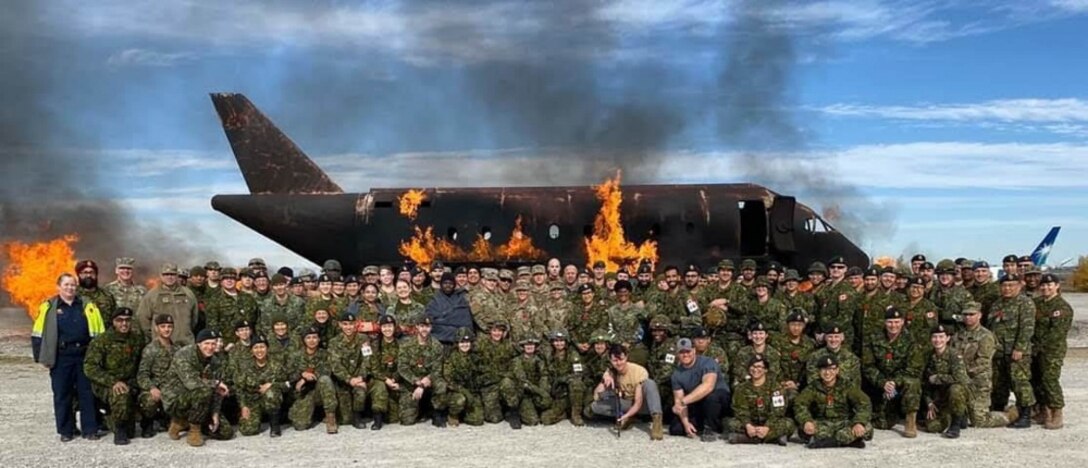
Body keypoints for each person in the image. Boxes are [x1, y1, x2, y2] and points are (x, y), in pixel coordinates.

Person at [31, 272, 106, 442]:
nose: (70, 288)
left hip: (84, 355)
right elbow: (37, 333)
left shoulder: (87, 305)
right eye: (66, 285)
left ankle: (90, 429)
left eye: (72, 285)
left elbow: (99, 331)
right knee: (62, 394)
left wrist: (98, 356)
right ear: (59, 287)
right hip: (61, 357)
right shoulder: (49, 306)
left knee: (87, 393)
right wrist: (42, 358)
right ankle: (66, 430)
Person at [161, 329, 234, 447]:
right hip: (176, 400)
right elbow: (191, 383)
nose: (210, 347)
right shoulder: (184, 354)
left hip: (201, 403)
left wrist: (215, 413)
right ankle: (194, 430)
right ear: (198, 344)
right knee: (203, 391)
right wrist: (215, 383)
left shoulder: (215, 362)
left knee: (225, 432)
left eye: (213, 344)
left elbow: (218, 392)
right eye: (206, 343)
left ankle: (183, 423)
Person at [83, 307, 145, 445]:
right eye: (120, 320)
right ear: (113, 322)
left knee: (133, 429)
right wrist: (113, 382)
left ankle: (126, 419)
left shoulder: (137, 340)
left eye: (127, 320)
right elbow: (90, 367)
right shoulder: (102, 341)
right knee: (121, 394)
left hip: (131, 382)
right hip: (108, 385)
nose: (124, 324)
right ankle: (119, 430)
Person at [861, 307, 922, 438]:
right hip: (878, 384)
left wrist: (894, 382)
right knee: (884, 424)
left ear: (902, 322)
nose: (893, 325)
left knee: (914, 383)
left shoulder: (911, 340)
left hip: (900, 384)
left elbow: (913, 368)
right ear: (885, 322)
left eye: (896, 322)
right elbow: (868, 365)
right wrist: (883, 382)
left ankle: (910, 421)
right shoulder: (873, 338)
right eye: (890, 322)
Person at [950, 302, 1011, 428]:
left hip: (978, 382)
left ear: (979, 315)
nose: (968, 317)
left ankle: (1010, 415)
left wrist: (962, 372)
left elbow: (983, 362)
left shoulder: (986, 336)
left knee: (979, 421)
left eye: (972, 314)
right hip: (961, 380)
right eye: (965, 314)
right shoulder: (957, 336)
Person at [988, 274, 1037, 428]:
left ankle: (1025, 414)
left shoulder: (1025, 303)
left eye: (1011, 285)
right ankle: (999, 411)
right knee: (999, 383)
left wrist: (1020, 348)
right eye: (1004, 285)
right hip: (999, 351)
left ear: (1019, 286)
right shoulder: (997, 304)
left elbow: (1027, 328)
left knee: (1020, 382)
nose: (1007, 288)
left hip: (1017, 351)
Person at [794, 355, 872, 449]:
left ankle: (829, 442)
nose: (827, 373)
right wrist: (806, 421)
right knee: (803, 430)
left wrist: (859, 422)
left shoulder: (847, 385)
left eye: (831, 369)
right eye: (824, 369)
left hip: (844, 423)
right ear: (819, 371)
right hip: (823, 423)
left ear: (837, 370)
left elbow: (864, 403)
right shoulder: (813, 387)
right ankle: (848, 441)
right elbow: (800, 404)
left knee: (867, 428)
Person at [589, 344, 664, 440]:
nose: (618, 363)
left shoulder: (639, 371)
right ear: (610, 360)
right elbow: (596, 395)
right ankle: (629, 418)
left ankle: (657, 420)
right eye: (615, 361)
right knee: (595, 406)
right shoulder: (611, 371)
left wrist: (626, 415)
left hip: (643, 404)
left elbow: (638, 402)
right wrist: (605, 380)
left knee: (650, 384)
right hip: (626, 402)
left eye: (621, 359)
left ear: (626, 357)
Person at [1031, 273, 1074, 429]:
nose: (1046, 288)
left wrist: (1039, 346)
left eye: (1050, 285)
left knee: (1049, 379)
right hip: (1035, 348)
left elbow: (1057, 333)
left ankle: (1056, 411)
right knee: (1036, 379)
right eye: (1043, 285)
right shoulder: (1036, 303)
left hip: (1052, 350)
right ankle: (1043, 410)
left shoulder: (1062, 307)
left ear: (1057, 286)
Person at [670, 338, 730, 442]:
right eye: (681, 352)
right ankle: (702, 425)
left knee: (712, 397)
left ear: (694, 351)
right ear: (677, 354)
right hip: (697, 402)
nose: (685, 355)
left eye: (688, 351)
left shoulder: (708, 362)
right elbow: (678, 401)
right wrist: (686, 424)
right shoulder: (676, 374)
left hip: (718, 401)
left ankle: (711, 428)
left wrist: (684, 401)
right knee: (676, 429)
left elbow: (708, 386)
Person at [729, 354, 794, 445]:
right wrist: (748, 425)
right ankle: (774, 438)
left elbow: (778, 411)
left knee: (788, 424)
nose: (755, 369)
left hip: (770, 423)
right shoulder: (741, 388)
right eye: (753, 366)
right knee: (731, 423)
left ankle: (750, 439)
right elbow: (740, 410)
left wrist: (767, 427)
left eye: (759, 367)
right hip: (751, 423)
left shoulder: (775, 387)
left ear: (765, 370)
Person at [919, 325, 969, 438]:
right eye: (934, 337)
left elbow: (961, 378)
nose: (938, 340)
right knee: (933, 427)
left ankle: (956, 424)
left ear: (947, 338)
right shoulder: (927, 356)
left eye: (941, 337)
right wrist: (929, 402)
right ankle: (954, 416)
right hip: (937, 398)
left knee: (956, 389)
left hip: (953, 395)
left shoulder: (954, 355)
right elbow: (923, 381)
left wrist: (938, 378)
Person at [287, 326, 339, 433]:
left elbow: (327, 371)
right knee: (300, 425)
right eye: (308, 337)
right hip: (303, 394)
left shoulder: (324, 354)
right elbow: (289, 374)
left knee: (325, 379)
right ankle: (313, 414)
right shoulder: (295, 356)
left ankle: (330, 417)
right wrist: (301, 375)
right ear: (304, 340)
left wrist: (306, 378)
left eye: (315, 337)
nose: (312, 340)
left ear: (319, 339)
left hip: (320, 391)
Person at [397, 316, 446, 426]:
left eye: (427, 326)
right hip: (412, 381)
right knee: (407, 421)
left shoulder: (437, 345)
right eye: (422, 326)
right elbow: (402, 367)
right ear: (417, 327)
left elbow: (437, 368)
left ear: (431, 328)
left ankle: (437, 412)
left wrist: (425, 381)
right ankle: (420, 408)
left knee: (441, 385)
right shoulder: (406, 345)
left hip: (429, 380)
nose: (424, 329)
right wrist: (417, 382)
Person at [235, 334, 288, 437]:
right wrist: (243, 406)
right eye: (256, 347)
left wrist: (272, 384)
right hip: (252, 401)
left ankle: (275, 427)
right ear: (251, 350)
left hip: (270, 400)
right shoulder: (245, 367)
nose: (259, 350)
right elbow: (239, 388)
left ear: (267, 348)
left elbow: (287, 385)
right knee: (248, 430)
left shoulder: (276, 365)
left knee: (271, 392)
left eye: (262, 347)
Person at [137, 263, 199, 345]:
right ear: (161, 276)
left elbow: (194, 318)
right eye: (166, 274)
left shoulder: (188, 293)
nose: (169, 277)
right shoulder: (152, 295)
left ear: (177, 275)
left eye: (172, 274)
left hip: (185, 343)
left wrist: (185, 331)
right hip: (162, 345)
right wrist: (155, 335)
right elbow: (143, 318)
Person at [137, 314, 178, 438]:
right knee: (149, 401)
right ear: (156, 329)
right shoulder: (150, 349)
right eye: (163, 326)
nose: (166, 329)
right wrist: (151, 388)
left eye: (169, 326)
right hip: (156, 389)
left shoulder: (177, 349)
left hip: (171, 389)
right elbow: (142, 374)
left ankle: (166, 419)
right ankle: (147, 423)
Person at [328, 311, 370, 429]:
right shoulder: (334, 342)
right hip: (342, 381)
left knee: (360, 391)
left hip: (359, 378)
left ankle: (358, 416)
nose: (348, 327)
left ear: (356, 324)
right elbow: (335, 365)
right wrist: (349, 379)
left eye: (351, 324)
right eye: (345, 324)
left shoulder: (363, 339)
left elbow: (367, 359)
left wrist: (361, 377)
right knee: (345, 420)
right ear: (340, 325)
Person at [541, 329, 586, 426]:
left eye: (561, 341)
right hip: (558, 393)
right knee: (545, 419)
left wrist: (563, 379)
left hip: (572, 391)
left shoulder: (573, 355)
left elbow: (578, 374)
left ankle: (576, 414)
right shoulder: (549, 356)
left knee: (576, 383)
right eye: (556, 341)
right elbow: (546, 373)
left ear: (566, 342)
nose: (559, 343)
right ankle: (565, 414)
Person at [204, 268, 259, 344]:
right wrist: (220, 344)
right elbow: (212, 325)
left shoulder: (247, 298)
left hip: (248, 343)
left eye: (232, 278)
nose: (229, 280)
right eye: (226, 278)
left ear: (236, 280)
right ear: (221, 281)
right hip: (227, 345)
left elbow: (255, 321)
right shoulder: (214, 300)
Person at [443, 328, 484, 427]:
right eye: (462, 342)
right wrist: (464, 392)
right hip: (455, 392)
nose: (465, 345)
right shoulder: (451, 358)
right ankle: (453, 415)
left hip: (472, 391)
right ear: (457, 343)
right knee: (460, 400)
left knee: (477, 420)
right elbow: (448, 380)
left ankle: (464, 414)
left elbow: (481, 374)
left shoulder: (475, 357)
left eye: (467, 342)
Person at [367, 315, 401, 430]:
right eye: (385, 326)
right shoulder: (375, 345)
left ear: (394, 327)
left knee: (396, 419)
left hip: (396, 379)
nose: (387, 329)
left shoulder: (401, 345)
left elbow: (403, 365)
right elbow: (373, 368)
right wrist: (386, 380)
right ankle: (377, 419)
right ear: (380, 328)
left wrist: (395, 380)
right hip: (380, 378)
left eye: (390, 326)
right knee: (379, 387)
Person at [512, 337, 552, 427]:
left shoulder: (539, 360)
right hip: (524, 393)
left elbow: (544, 375)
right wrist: (541, 392)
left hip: (536, 392)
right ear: (523, 347)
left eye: (532, 345)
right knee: (532, 421)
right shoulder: (517, 361)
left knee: (545, 402)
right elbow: (522, 380)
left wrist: (543, 390)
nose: (529, 347)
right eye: (527, 345)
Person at [425, 272, 474, 345]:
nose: (448, 285)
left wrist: (442, 319)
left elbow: (466, 322)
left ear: (454, 285)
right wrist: (455, 324)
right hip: (439, 342)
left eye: (450, 283)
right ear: (441, 285)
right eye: (445, 283)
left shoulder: (461, 299)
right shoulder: (434, 301)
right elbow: (432, 324)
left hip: (461, 342)